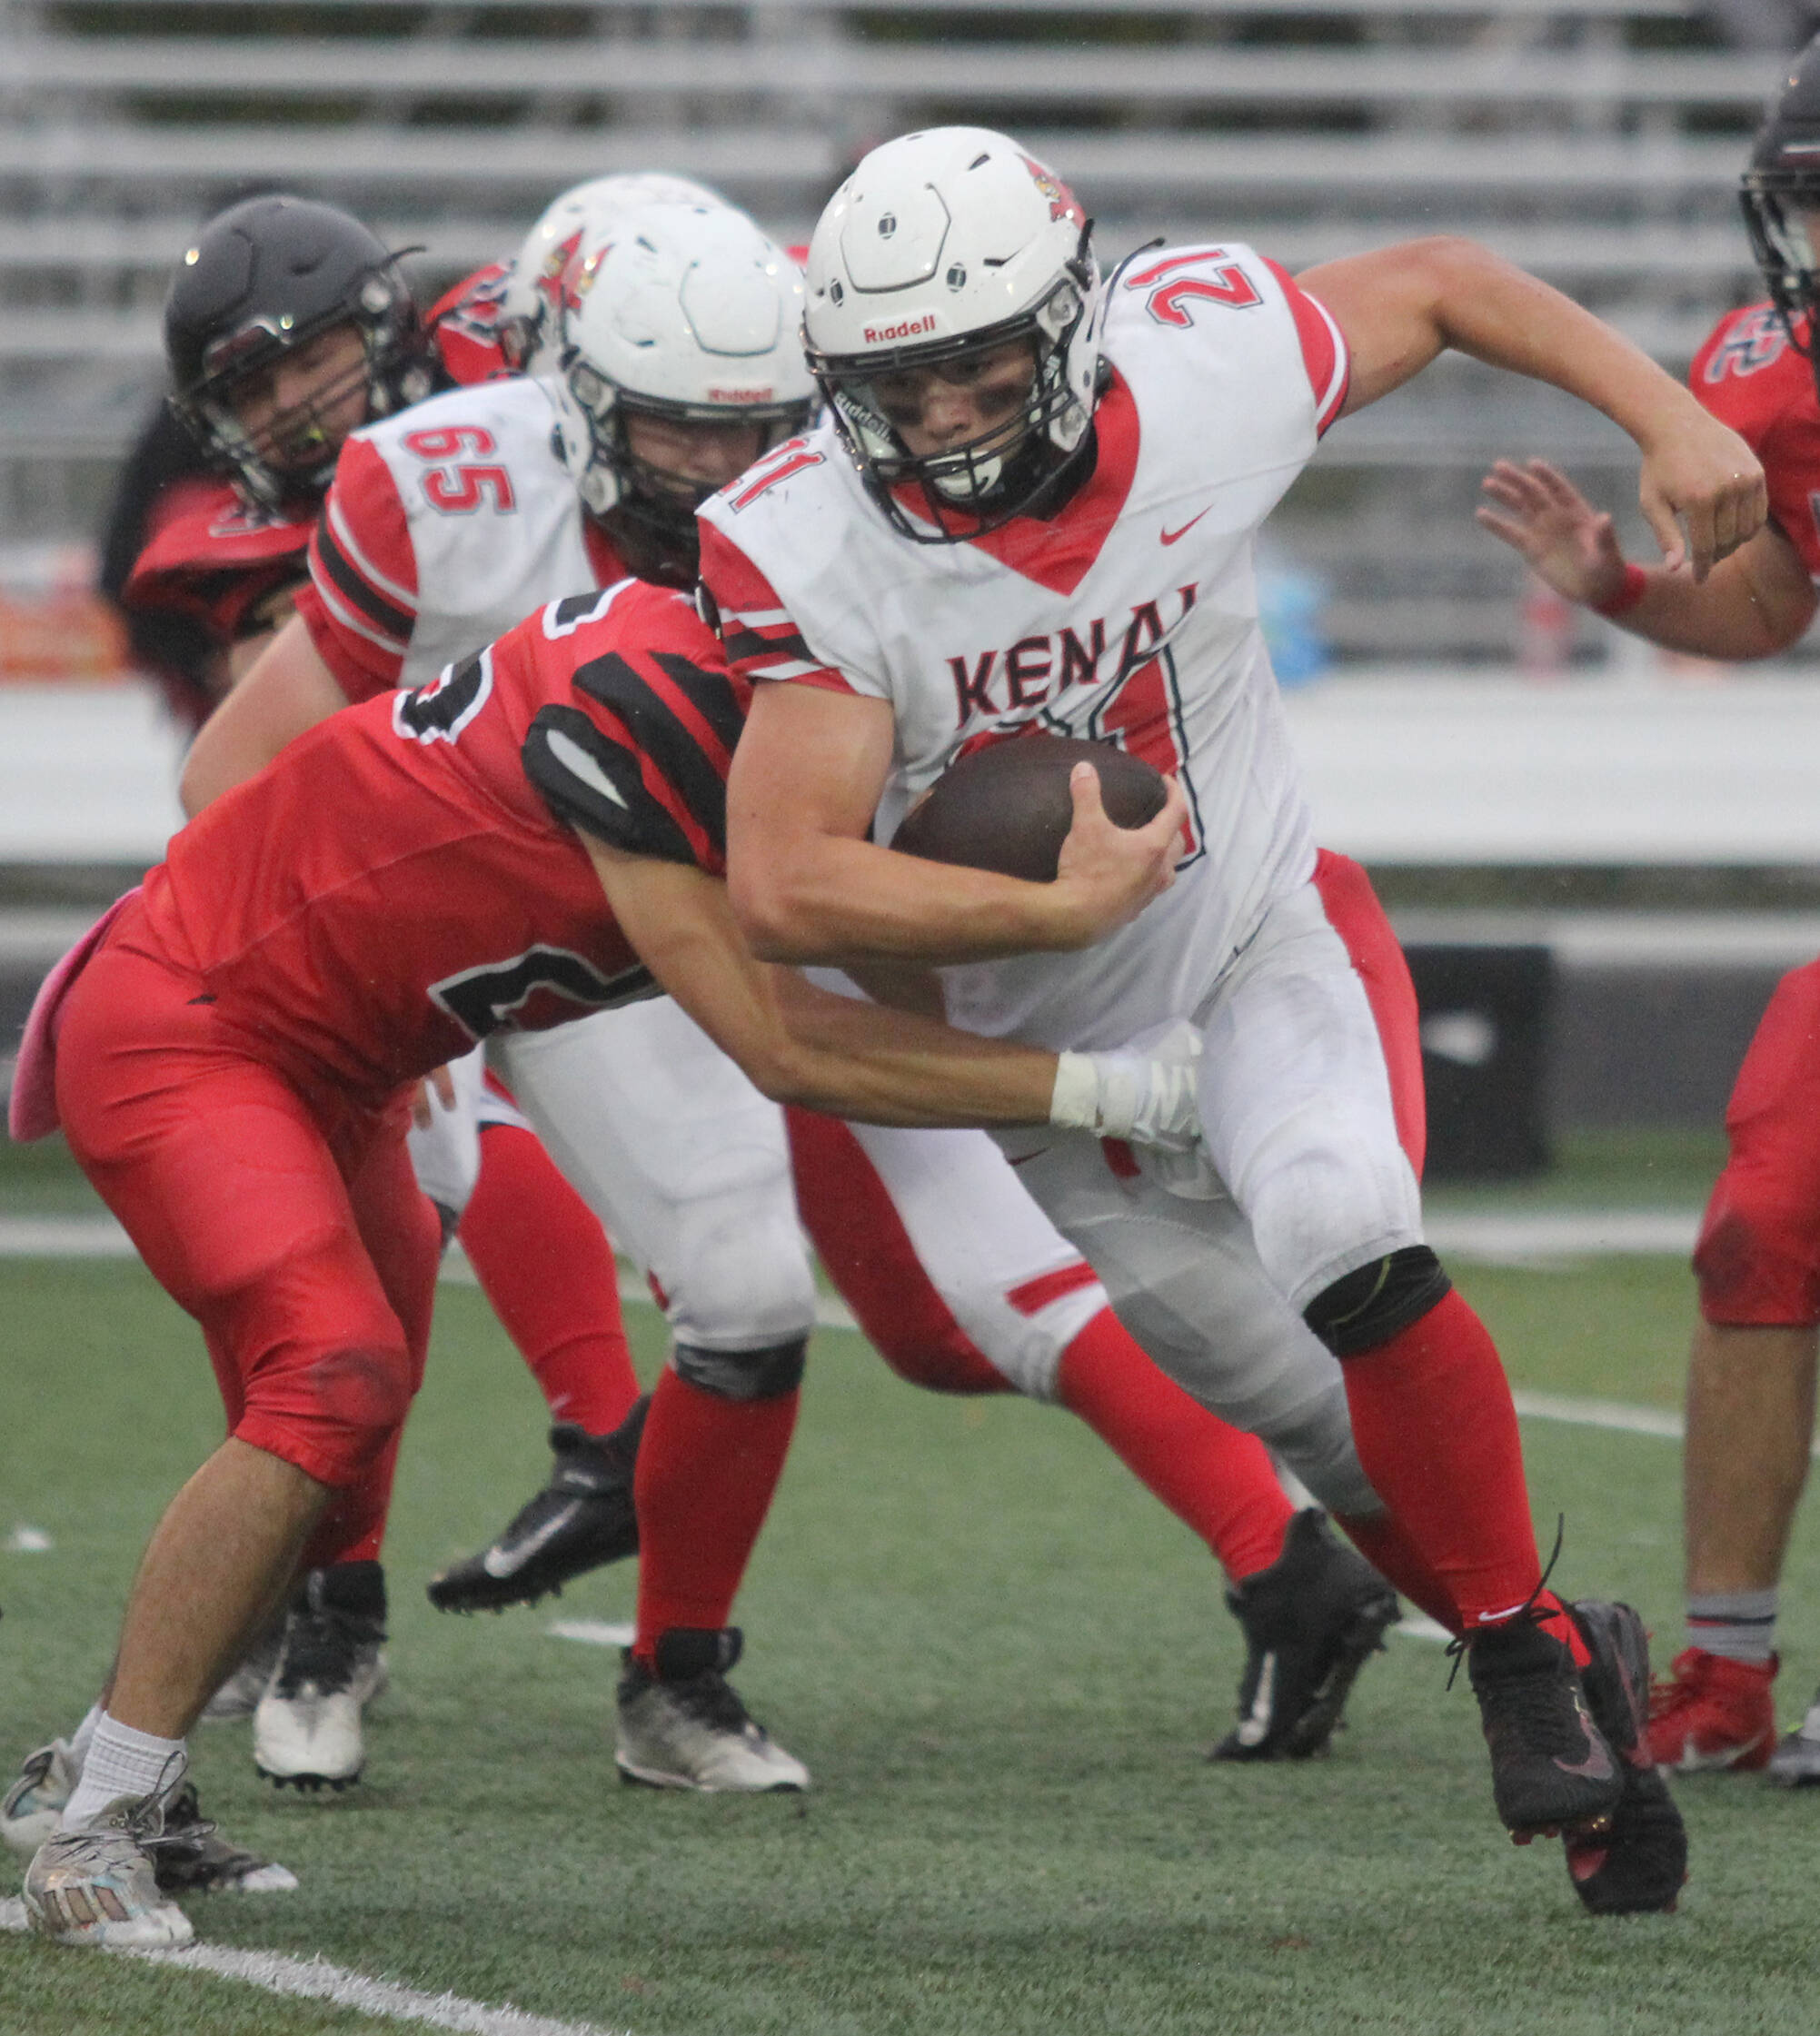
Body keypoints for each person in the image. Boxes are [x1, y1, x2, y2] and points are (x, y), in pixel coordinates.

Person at [178, 194, 1403, 1791]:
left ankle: (680, 1674)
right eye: (679, 432)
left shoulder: (856, 493)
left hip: (758, 904)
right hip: (513, 932)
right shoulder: (445, 489)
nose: (718, 468)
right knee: (393, 1210)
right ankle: (334, 1603)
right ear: (580, 405)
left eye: (755, 429)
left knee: (836, 1296)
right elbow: (237, 767)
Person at [703, 125, 1765, 1912]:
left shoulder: (1197, 365)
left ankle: (1511, 1653)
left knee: (1351, 1229)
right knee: (1320, 1425)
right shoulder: (807, 538)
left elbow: (1446, 278)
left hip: (1258, 935)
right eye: (901, 380)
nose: (948, 412)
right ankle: (1574, 1650)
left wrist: (1668, 413)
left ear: (1066, 323)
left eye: (976, 362)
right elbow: (784, 886)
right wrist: (1049, 907)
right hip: (1054, 1071)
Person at [11, 572, 1200, 1950]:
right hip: (194, 1023)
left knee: (339, 1434)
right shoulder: (659, 706)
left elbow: (866, 963)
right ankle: (97, 1818)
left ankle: (108, 1775)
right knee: (331, 1377)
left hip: (346, 1068)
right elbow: (784, 1040)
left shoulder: (781, 707)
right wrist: (1094, 1075)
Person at [48, 190, 650, 1801]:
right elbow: (231, 775)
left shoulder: (511, 396)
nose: (279, 414)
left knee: (359, 1327)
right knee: (337, 1342)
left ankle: (510, 1493)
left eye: (298, 366)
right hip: (276, 982)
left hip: (413, 964)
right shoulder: (304, 525)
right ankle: (279, 1646)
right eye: (242, 395)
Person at [1476, 36, 1820, 1785]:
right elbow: (1768, 599)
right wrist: (1615, 583)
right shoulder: (1767, 382)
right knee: (1767, 1213)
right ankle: (1729, 1669)